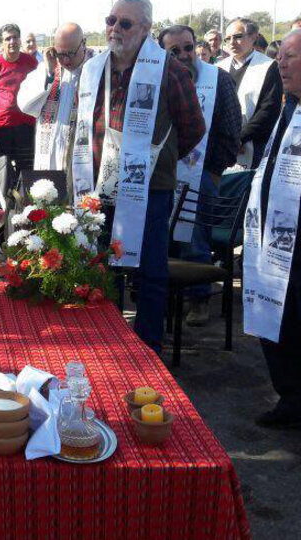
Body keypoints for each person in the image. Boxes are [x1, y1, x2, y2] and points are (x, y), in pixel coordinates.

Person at [71, 0, 205, 353]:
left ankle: (147, 348)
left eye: (125, 24)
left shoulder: (169, 70)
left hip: (150, 189)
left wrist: (157, 157)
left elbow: (192, 127)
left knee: (150, 273)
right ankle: (106, 342)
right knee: (101, 268)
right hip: (99, 187)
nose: (115, 28)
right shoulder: (93, 69)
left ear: (146, 29)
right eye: (110, 20)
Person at [159, 25, 242, 326]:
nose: (183, 55)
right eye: (174, 51)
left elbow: (232, 131)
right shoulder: (157, 77)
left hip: (202, 174)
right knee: (163, 240)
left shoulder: (218, 79)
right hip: (164, 175)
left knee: (195, 240)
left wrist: (211, 171)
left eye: (188, 48)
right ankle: (167, 299)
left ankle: (198, 300)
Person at [242, 30, 301, 429]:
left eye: (291, 56)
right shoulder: (288, 107)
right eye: (280, 55)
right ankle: (291, 398)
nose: (281, 63)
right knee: (274, 319)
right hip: (271, 234)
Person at [18, 22, 89, 186]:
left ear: (83, 43)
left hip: (79, 159)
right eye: (60, 54)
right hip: (48, 158)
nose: (65, 60)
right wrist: (49, 74)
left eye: (70, 53)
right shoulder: (48, 69)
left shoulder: (95, 69)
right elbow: (25, 105)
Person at [217, 17, 283, 170]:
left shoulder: (269, 66)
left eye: (238, 37)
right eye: (227, 39)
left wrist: (240, 138)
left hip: (252, 143)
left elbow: (269, 109)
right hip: (220, 144)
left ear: (254, 37)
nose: (232, 42)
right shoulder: (219, 67)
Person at [0, 23, 39, 175]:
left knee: (26, 173)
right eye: (7, 38)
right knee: (1, 175)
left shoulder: (32, 63)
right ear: (2, 43)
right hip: (0, 127)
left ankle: (24, 200)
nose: (12, 42)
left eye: (15, 37)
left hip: (26, 126)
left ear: (20, 40)